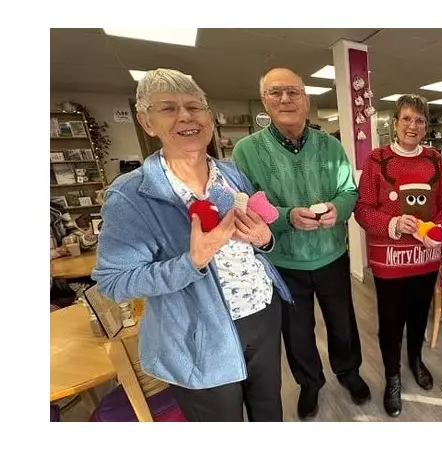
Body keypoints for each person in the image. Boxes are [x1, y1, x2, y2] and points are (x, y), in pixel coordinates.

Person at [92, 68, 292, 422]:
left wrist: (265, 239)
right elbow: (113, 283)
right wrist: (192, 260)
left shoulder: (230, 173)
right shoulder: (130, 195)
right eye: (168, 108)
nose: (185, 116)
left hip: (261, 312)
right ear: (146, 122)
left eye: (195, 107)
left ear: (209, 118)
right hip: (198, 335)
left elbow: (255, 240)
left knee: (269, 411)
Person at [232, 68, 369, 420]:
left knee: (342, 321)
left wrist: (337, 211)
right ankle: (310, 384)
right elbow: (244, 205)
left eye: (293, 92)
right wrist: (288, 216)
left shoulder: (331, 146)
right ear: (265, 101)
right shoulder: (247, 151)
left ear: (306, 100)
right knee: (296, 332)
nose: (285, 100)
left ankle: (349, 372)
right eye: (275, 93)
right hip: (283, 263)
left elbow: (349, 192)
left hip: (332, 256)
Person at [354, 94, 442, 417]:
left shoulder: (436, 161)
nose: (413, 126)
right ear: (394, 123)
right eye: (407, 119)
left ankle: (415, 360)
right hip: (390, 263)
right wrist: (394, 223)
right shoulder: (377, 160)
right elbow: (362, 210)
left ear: (426, 126)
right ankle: (393, 377)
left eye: (420, 120)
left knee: (418, 316)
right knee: (391, 322)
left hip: (425, 261)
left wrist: (435, 231)